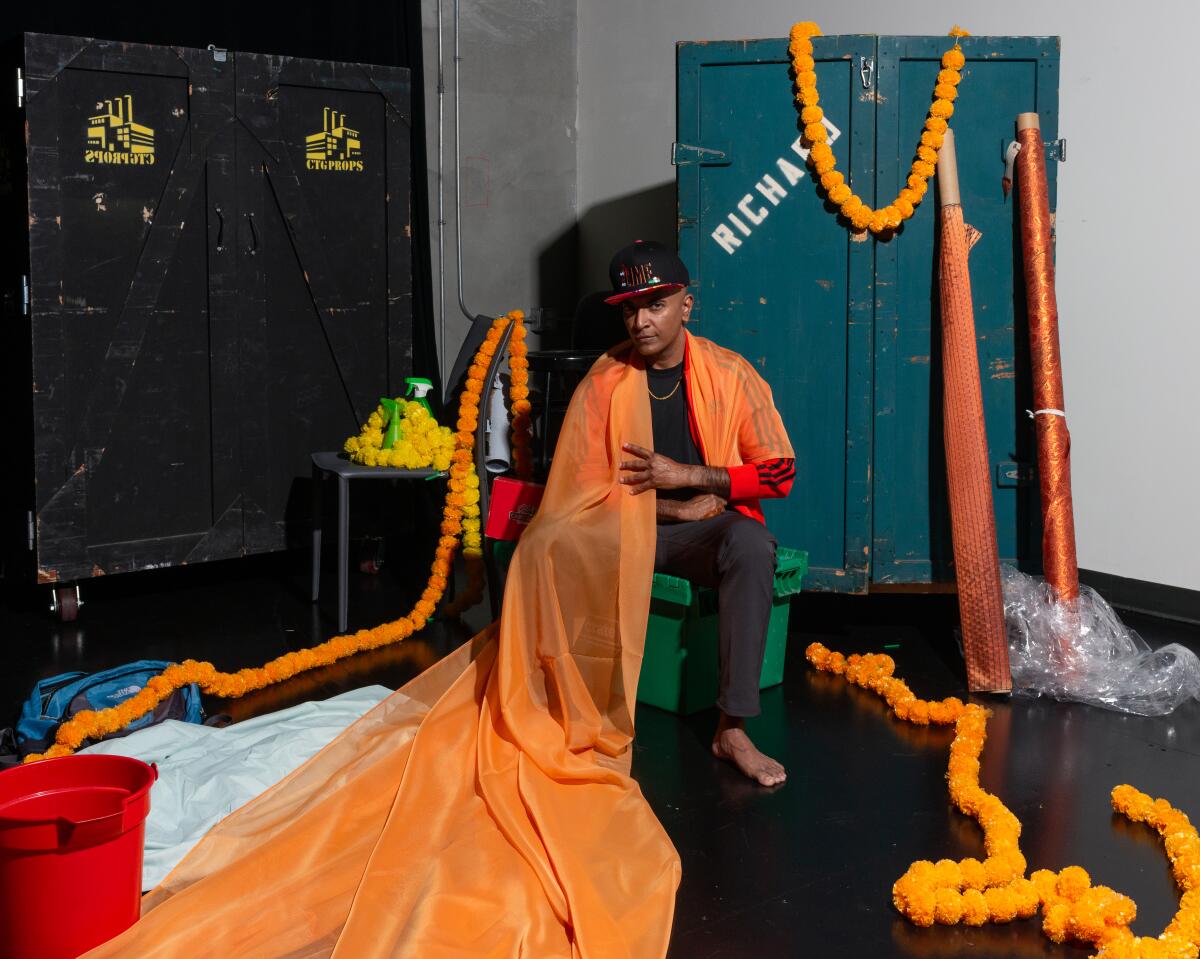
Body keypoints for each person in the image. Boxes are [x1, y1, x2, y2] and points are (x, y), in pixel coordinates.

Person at [605, 239, 795, 787]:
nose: (641, 322)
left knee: (751, 545)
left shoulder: (730, 374)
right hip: (621, 526)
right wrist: (677, 507)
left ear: (686, 305)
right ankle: (585, 712)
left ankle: (731, 727)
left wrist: (692, 476)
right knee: (557, 539)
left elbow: (780, 472)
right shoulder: (605, 381)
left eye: (656, 305)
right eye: (630, 309)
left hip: (700, 533)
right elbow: (581, 489)